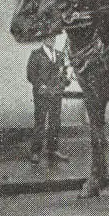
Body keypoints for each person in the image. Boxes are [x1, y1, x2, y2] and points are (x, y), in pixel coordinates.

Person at [26, 35, 70, 164]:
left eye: (53, 37)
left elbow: (64, 74)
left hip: (56, 93)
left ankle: (53, 149)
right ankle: (35, 152)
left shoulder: (60, 55)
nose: (51, 39)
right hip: (42, 94)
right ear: (43, 39)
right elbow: (30, 75)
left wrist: (63, 83)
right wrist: (40, 85)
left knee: (55, 122)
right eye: (49, 37)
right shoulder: (36, 54)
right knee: (40, 122)